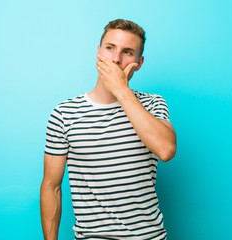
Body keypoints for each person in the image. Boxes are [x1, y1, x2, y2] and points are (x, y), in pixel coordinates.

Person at [40, 19, 177, 240]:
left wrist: (121, 90)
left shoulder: (153, 104)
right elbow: (51, 187)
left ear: (139, 62)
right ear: (98, 52)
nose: (115, 59)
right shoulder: (64, 113)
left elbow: (166, 150)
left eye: (127, 52)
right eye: (110, 48)